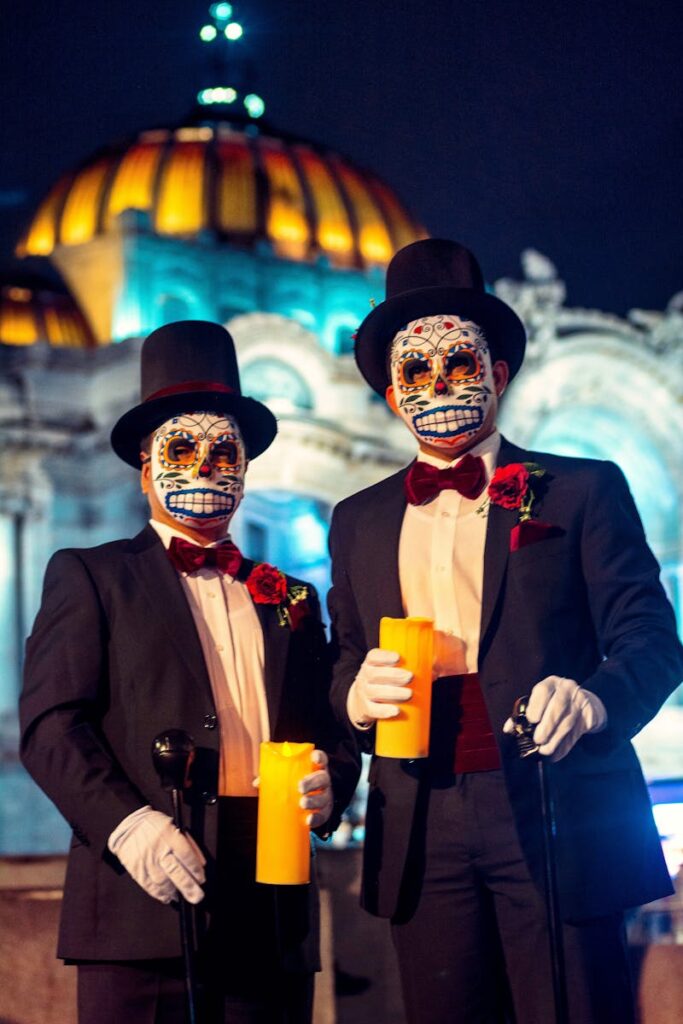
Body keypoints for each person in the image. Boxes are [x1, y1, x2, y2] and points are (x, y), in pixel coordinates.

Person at [327, 239, 683, 1023]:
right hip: (419, 815)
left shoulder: (582, 490)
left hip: (556, 806)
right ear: (390, 392)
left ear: (499, 371)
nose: (440, 384)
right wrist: (353, 696)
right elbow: (344, 655)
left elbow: (651, 638)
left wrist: (592, 701)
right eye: (416, 371)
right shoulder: (355, 521)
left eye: (461, 361)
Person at [20, 320, 359, 1024]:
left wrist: (335, 785)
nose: (206, 467)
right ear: (145, 467)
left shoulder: (292, 596)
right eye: (182, 448)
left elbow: (330, 726)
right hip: (139, 901)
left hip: (272, 900)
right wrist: (127, 826)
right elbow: (52, 726)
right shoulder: (92, 575)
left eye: (224, 450)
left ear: (246, 466)